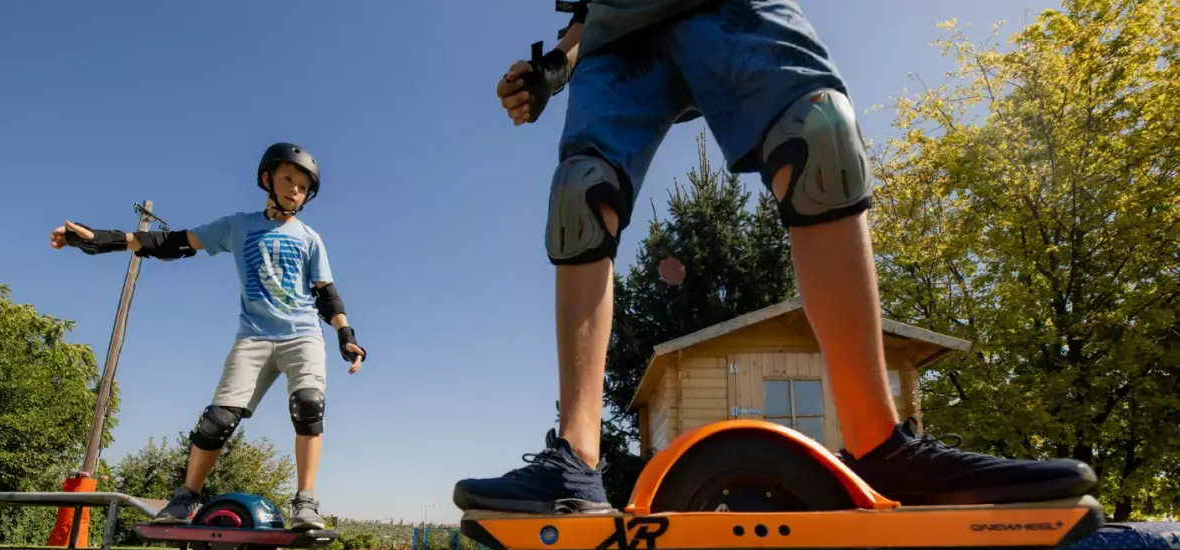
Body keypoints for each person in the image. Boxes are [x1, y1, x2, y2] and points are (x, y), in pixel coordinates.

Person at [453, 0, 1098, 514]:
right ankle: (577, 462)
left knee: (821, 135)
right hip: (618, 45)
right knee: (580, 193)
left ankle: (882, 446)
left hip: (732, 6)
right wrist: (549, 75)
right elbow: (586, 18)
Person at [49, 143, 367, 529]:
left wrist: (345, 335)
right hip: (253, 337)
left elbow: (326, 293)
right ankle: (185, 500)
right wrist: (103, 239)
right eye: (288, 179)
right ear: (267, 179)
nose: (294, 190)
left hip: (303, 336)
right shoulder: (237, 226)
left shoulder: (310, 238)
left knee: (308, 406)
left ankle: (305, 502)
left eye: (302, 187)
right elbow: (177, 242)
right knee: (216, 421)